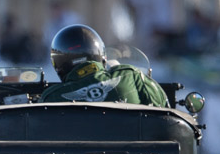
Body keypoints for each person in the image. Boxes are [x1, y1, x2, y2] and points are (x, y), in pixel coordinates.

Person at [39, 24, 168, 106]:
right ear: (100, 53)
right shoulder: (132, 76)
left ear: (58, 64)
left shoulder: (51, 98)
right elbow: (164, 113)